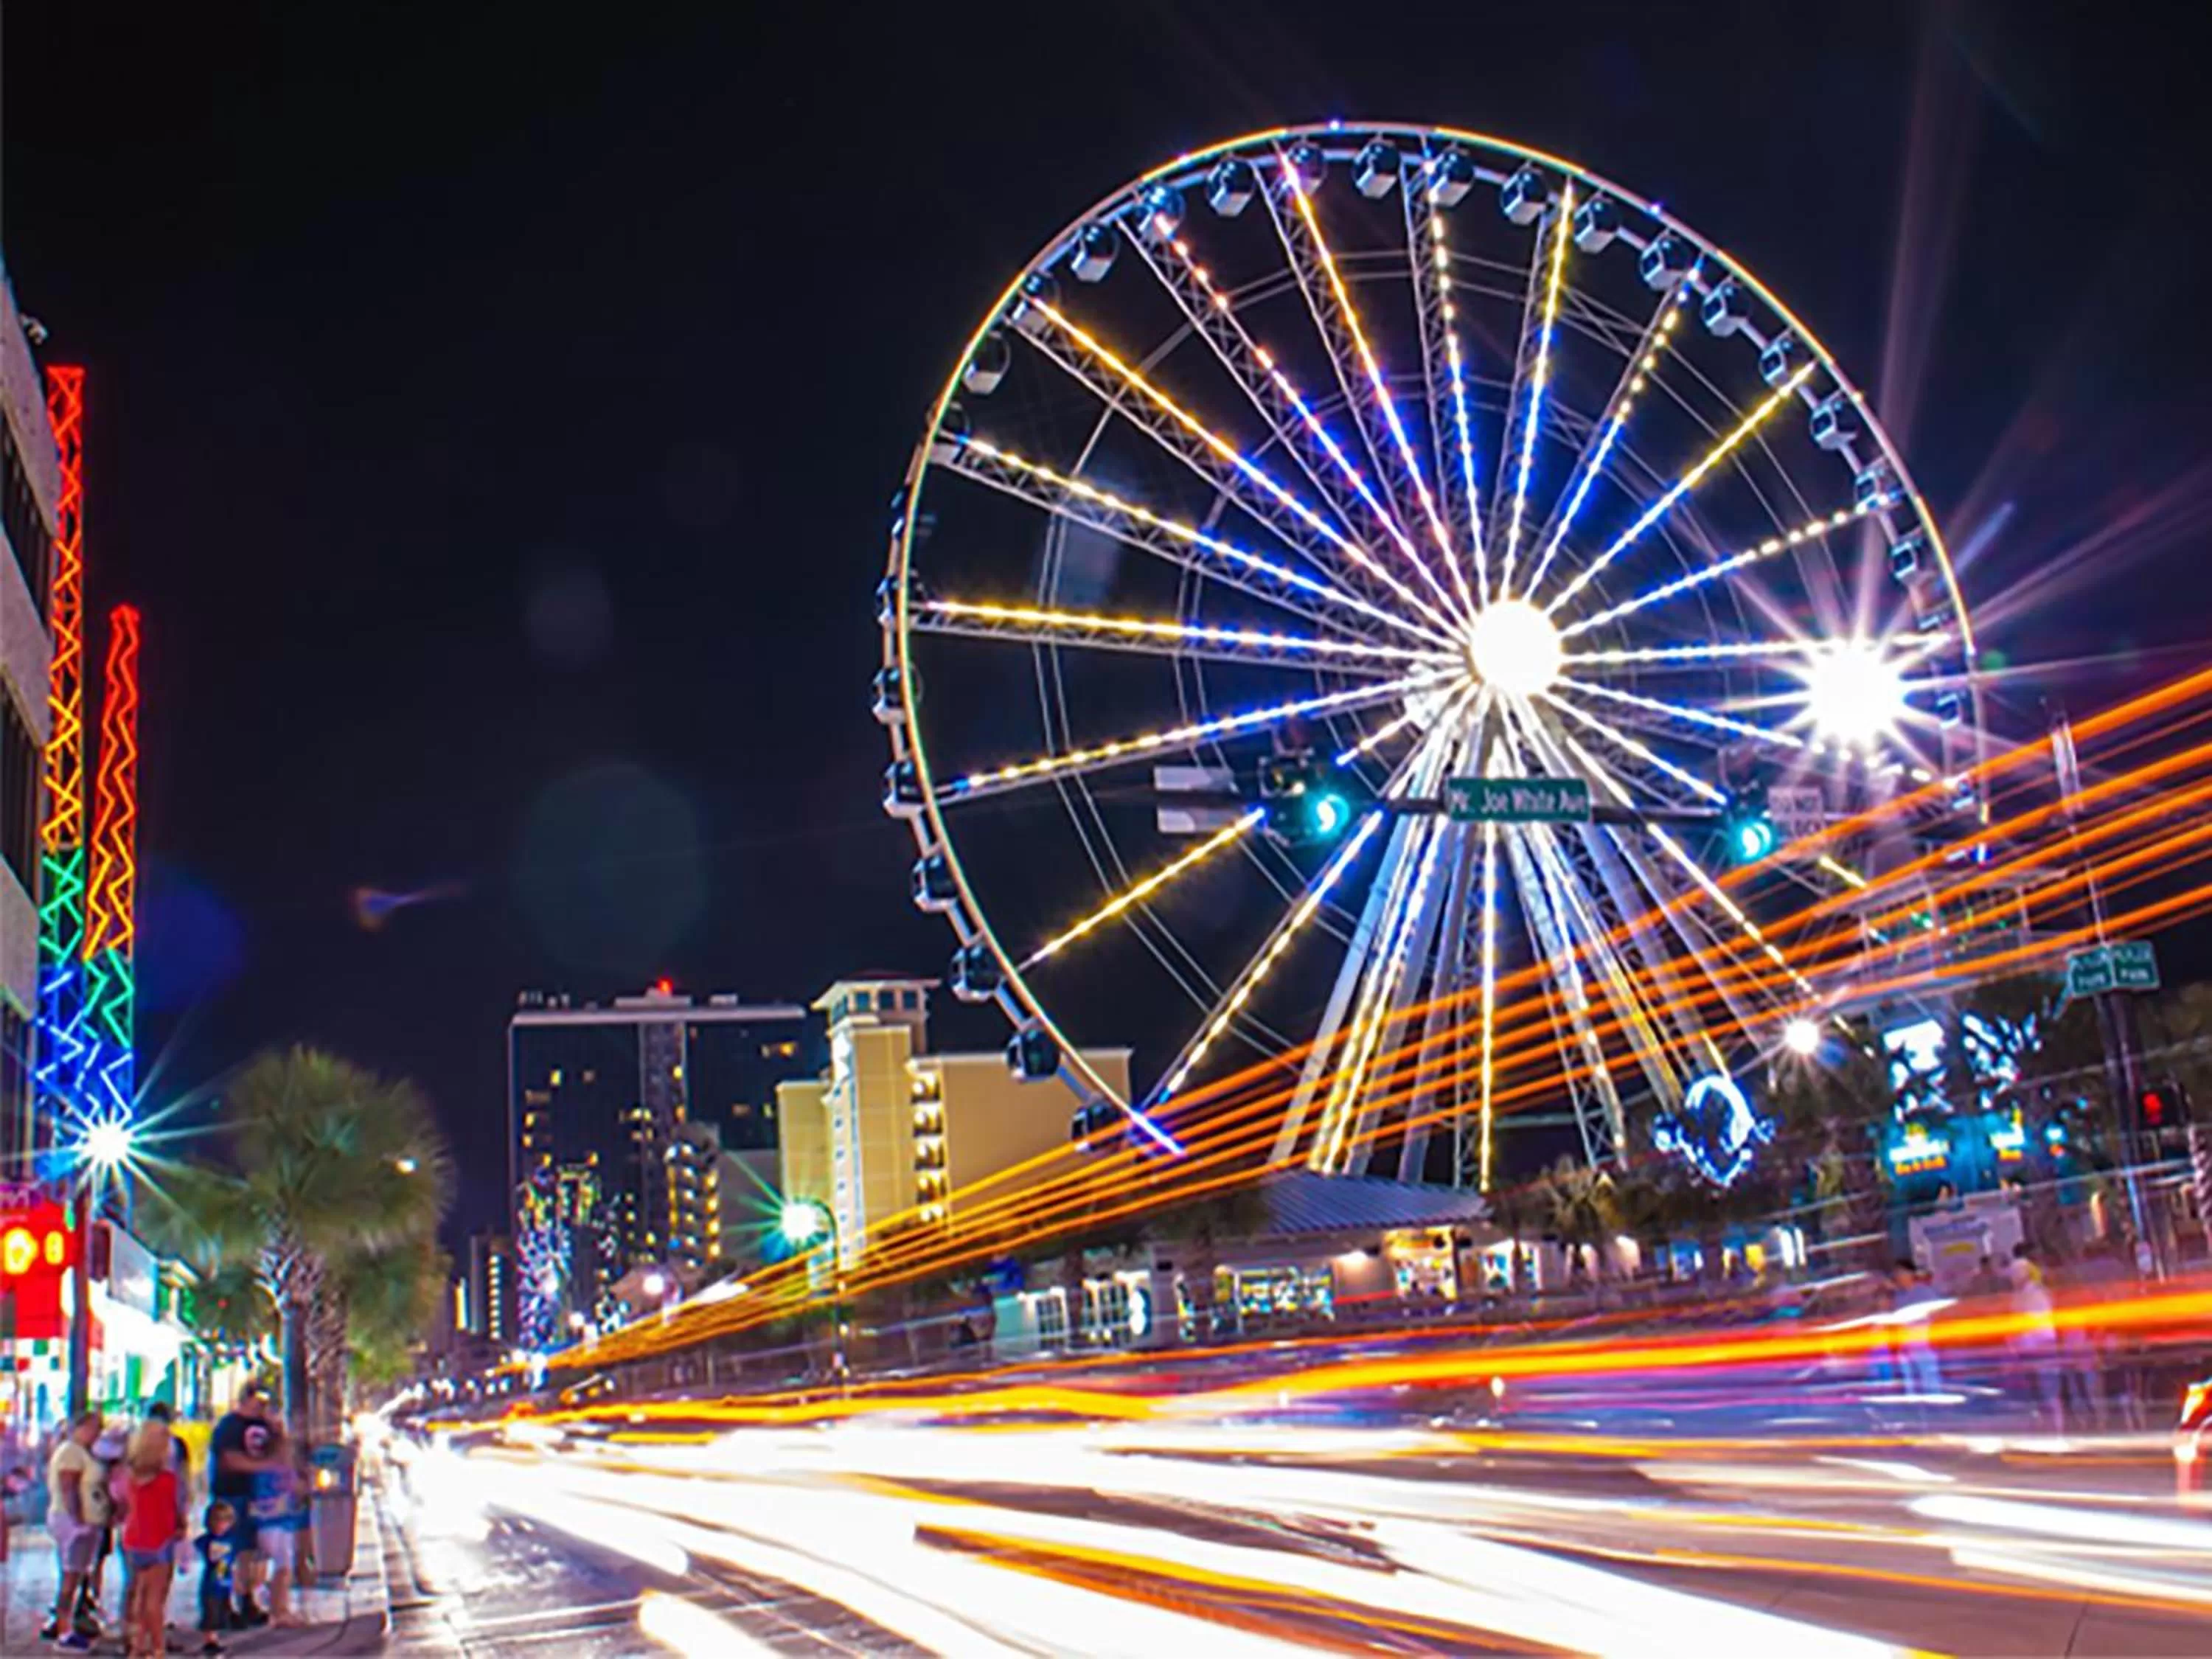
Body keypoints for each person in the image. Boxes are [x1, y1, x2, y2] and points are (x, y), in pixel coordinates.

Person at [208, 1385, 278, 1627]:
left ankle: (247, 1599)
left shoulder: (265, 1426)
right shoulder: (229, 1427)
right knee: (227, 1552)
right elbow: (230, 1460)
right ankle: (220, 1606)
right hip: (231, 1494)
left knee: (250, 1554)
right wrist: (264, 1466)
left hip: (257, 1497)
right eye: (258, 1401)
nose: (261, 1407)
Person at [120, 1419, 185, 1659]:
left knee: (139, 1594)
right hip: (159, 1539)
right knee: (155, 1600)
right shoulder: (166, 1479)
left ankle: (137, 1645)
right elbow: (170, 1512)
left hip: (135, 1538)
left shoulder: (131, 1477)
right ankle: (158, 1647)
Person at [43, 1411, 104, 1649]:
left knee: (76, 1574)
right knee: (70, 1575)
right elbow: (69, 1486)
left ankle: (65, 1624)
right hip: (73, 1521)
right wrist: (79, 1519)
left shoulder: (83, 1452)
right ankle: (63, 1628)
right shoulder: (71, 1452)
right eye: (93, 1428)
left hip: (80, 1519)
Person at [249, 1423, 303, 1626]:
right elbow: (294, 1491)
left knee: (270, 1568)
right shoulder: (281, 1470)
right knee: (283, 1568)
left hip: (264, 1524)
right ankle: (280, 1611)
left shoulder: (260, 1469)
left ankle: (274, 1608)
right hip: (279, 1523)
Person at [195, 1501, 240, 1656]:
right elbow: (196, 1547)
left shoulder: (231, 1540)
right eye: (217, 1521)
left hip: (225, 1582)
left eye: (225, 1521)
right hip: (211, 1583)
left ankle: (217, 1636)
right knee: (211, 1611)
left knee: (221, 1609)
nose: (221, 1525)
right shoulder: (207, 1540)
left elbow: (232, 1559)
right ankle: (210, 1640)